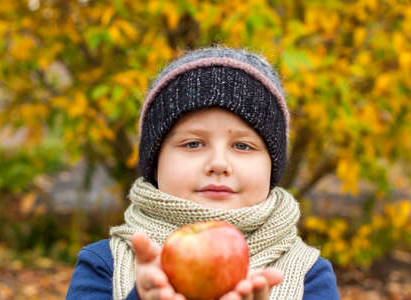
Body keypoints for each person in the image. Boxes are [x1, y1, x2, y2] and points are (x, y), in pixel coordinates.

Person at [66, 47, 340, 300]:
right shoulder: (103, 265)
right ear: (155, 161)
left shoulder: (310, 275)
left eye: (242, 146)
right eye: (193, 143)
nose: (219, 163)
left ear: (272, 165)